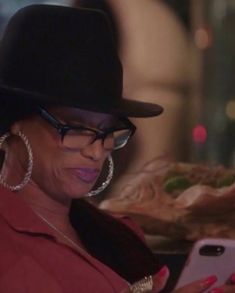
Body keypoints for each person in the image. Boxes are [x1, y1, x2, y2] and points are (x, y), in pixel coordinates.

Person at [0, 4, 234, 293]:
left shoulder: (117, 234)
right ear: (16, 120)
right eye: (76, 128)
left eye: (108, 131)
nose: (96, 151)